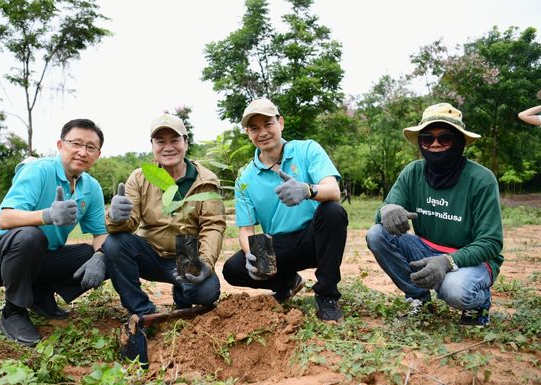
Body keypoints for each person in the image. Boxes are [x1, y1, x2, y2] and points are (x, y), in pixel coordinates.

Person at [0, 119, 108, 346]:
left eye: (90, 147)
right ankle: (13, 311)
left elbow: (100, 233)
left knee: (96, 253)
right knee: (31, 236)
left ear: (98, 154)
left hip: (39, 257)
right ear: (60, 145)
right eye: (76, 143)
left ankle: (40, 293)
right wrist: (47, 215)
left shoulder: (91, 187)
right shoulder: (38, 170)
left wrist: (101, 256)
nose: (83, 152)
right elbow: (6, 218)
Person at [366, 103, 503, 326]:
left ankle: (480, 302)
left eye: (445, 138)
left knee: (455, 289)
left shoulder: (481, 180)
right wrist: (387, 211)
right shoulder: (413, 172)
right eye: (427, 139)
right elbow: (385, 213)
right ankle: (418, 298)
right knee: (376, 234)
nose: (435, 144)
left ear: (460, 141)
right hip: (425, 248)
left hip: (470, 258)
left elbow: (491, 243)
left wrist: (447, 262)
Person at [222, 98, 348, 322]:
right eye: (254, 128)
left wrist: (307, 190)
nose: (262, 132)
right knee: (233, 269)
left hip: (314, 238)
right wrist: (252, 255)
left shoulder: (307, 149)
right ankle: (287, 282)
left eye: (268, 124)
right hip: (279, 246)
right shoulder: (245, 178)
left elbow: (333, 191)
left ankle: (327, 295)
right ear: (248, 133)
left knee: (332, 212)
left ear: (281, 122)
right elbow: (246, 229)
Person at [102, 113, 225, 317]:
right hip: (150, 253)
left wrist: (206, 261)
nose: (168, 147)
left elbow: (213, 225)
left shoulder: (206, 179)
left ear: (186, 142)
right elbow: (128, 223)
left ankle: (183, 295)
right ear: (152, 145)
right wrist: (116, 217)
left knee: (207, 292)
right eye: (160, 141)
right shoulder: (140, 177)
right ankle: (142, 310)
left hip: (186, 253)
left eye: (175, 140)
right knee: (115, 243)